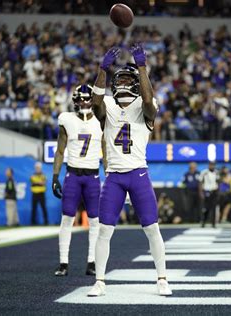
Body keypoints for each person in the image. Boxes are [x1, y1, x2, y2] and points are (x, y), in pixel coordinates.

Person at [87, 45, 172, 296]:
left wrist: (142, 67)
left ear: (135, 83)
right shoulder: (109, 106)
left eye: (127, 78)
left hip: (138, 174)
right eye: (119, 78)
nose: (122, 82)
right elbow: (95, 102)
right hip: (114, 176)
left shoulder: (146, 105)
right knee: (104, 229)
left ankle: (162, 278)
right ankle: (100, 281)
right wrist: (103, 70)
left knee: (151, 228)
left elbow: (147, 101)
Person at [51, 84, 102, 277]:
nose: (84, 102)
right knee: (67, 218)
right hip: (72, 174)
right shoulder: (67, 120)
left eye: (87, 98)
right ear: (75, 100)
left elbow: (105, 152)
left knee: (95, 220)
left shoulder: (100, 120)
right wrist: (55, 176)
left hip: (92, 176)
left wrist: (111, 173)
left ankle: (92, 262)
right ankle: (63, 262)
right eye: (81, 99)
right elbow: (60, 150)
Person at [199, 161, 219, 228]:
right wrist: (201, 193)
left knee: (214, 208)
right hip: (206, 191)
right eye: (210, 165)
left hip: (214, 191)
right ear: (208, 165)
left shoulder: (216, 172)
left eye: (213, 165)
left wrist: (217, 190)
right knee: (206, 208)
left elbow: (218, 182)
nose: (212, 166)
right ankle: (203, 222)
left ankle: (213, 223)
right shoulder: (204, 172)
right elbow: (200, 183)